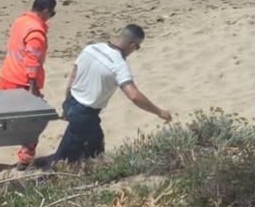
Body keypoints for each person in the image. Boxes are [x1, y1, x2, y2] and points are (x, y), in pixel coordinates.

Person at [53, 24, 171, 163]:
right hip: (85, 114)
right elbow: (134, 96)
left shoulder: (91, 48)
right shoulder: (119, 65)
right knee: (63, 159)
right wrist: (159, 111)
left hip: (71, 102)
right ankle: (43, 177)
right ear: (133, 45)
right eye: (137, 47)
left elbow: (72, 77)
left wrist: (66, 105)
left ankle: (88, 172)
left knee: (95, 146)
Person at [0, 0, 57, 170]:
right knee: (32, 125)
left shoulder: (20, 21)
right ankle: (25, 160)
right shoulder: (36, 32)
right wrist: (33, 89)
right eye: (52, 14)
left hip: (6, 77)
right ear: (46, 11)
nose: (51, 18)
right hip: (22, 84)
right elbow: (32, 62)